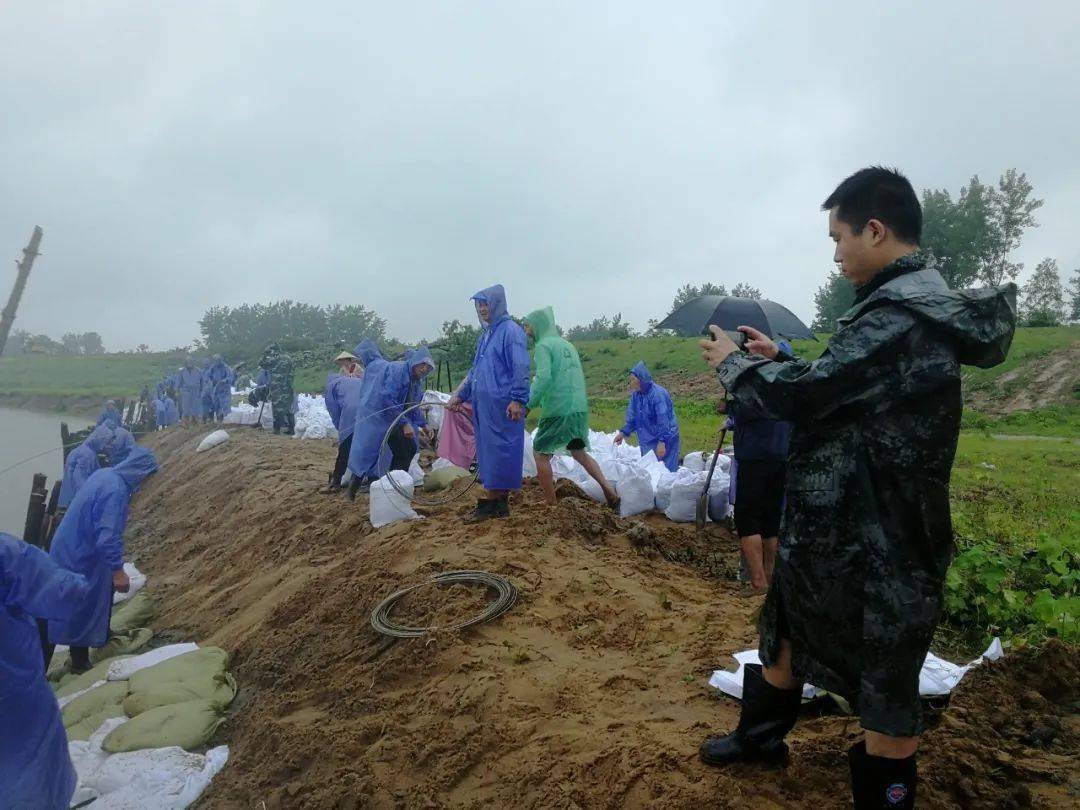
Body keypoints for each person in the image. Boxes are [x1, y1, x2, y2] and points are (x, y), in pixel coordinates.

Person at [696, 167, 1016, 809]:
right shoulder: (898, 308)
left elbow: (815, 397)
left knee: (886, 670)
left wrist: (735, 365)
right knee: (787, 621)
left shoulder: (898, 314)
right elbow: (849, 389)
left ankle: (886, 796)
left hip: (882, 528)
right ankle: (761, 738)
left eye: (840, 238)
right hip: (843, 516)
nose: (836, 253)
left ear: (876, 230)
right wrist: (779, 359)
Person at [1, 533, 93, 810]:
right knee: (30, 769)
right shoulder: (6, 554)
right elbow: (60, 591)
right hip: (13, 695)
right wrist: (86, 584)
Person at [48, 446, 158, 673]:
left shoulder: (105, 475)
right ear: (140, 473)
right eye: (147, 478)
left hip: (71, 545)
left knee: (81, 601)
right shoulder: (115, 491)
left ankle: (91, 645)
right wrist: (118, 571)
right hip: (79, 554)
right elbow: (107, 537)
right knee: (78, 605)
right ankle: (76, 662)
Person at [447, 284, 530, 523]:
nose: (482, 309)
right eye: (479, 305)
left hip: (503, 406)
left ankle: (492, 501)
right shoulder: (486, 336)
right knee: (489, 453)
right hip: (485, 407)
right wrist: (460, 396)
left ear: (497, 304)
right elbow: (475, 371)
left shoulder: (511, 332)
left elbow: (521, 367)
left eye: (486, 304)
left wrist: (517, 398)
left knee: (501, 452)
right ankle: (498, 504)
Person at [523, 307, 618, 508]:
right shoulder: (567, 345)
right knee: (579, 452)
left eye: (527, 325)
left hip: (559, 409)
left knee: (540, 453)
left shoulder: (543, 346)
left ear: (538, 325)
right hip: (578, 409)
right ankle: (609, 491)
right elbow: (566, 378)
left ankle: (550, 503)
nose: (526, 330)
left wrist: (528, 405)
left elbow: (543, 378)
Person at [728, 339, 793, 592]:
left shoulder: (762, 386)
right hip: (780, 457)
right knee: (770, 520)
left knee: (748, 519)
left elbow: (747, 410)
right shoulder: (790, 387)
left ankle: (756, 580)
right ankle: (769, 576)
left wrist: (729, 406)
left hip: (755, 459)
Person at [346, 345, 434, 499]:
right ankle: (351, 493)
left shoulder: (415, 381)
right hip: (377, 415)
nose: (424, 369)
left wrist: (424, 424)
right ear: (415, 361)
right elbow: (387, 398)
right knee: (366, 453)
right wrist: (405, 423)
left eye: (427, 367)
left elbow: (411, 406)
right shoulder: (397, 371)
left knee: (408, 448)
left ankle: (394, 486)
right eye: (422, 364)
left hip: (395, 418)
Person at [613, 362, 681, 472]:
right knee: (649, 470)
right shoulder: (636, 396)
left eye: (633, 379)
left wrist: (662, 442)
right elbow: (633, 418)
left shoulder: (658, 395)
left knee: (667, 471)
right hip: (648, 438)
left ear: (641, 380)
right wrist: (623, 433)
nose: (630, 383)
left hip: (666, 438)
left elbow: (663, 420)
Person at [323, 358, 365, 491]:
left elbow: (334, 411)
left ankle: (335, 481)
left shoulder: (331, 386)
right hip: (368, 409)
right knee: (365, 446)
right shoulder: (355, 380)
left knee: (345, 447)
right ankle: (368, 479)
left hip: (351, 412)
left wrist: (341, 428)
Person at [58, 424, 114, 509]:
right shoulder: (87, 455)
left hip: (68, 500)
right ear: (100, 440)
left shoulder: (84, 450)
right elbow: (79, 480)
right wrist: (88, 501)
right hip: (72, 503)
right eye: (107, 442)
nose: (109, 446)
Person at [258, 343, 296, 435]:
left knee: (277, 408)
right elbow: (292, 372)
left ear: (273, 351)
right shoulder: (288, 358)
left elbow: (261, 364)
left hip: (277, 388)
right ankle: (292, 429)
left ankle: (277, 429)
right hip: (288, 387)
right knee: (288, 409)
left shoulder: (274, 359)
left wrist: (265, 353)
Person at [205, 354, 234, 422]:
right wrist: (209, 381)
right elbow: (207, 376)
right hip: (215, 390)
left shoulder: (226, 367)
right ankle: (217, 421)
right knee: (216, 406)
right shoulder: (212, 368)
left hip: (224, 391)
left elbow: (230, 377)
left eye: (218, 360)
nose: (216, 362)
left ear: (221, 360)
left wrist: (224, 380)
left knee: (223, 406)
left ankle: (221, 421)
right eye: (215, 361)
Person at [177, 358, 204, 425]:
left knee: (195, 406)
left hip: (196, 390)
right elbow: (179, 382)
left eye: (191, 362)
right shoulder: (182, 371)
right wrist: (177, 390)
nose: (189, 364)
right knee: (186, 406)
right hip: (186, 391)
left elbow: (202, 382)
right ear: (185, 363)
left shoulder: (198, 371)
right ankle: (186, 421)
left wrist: (201, 390)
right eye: (188, 362)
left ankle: (195, 420)